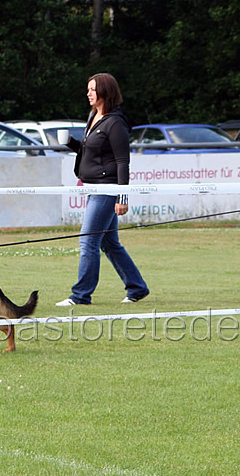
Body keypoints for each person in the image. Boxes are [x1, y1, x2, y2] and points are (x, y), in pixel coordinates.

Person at [56, 73, 149, 306]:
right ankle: (137, 288)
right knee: (110, 243)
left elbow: (122, 162)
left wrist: (122, 196)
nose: (88, 93)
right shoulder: (93, 116)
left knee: (88, 242)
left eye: (92, 89)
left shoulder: (115, 123)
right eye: (88, 89)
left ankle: (81, 295)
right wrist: (70, 143)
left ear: (105, 92)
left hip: (106, 190)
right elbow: (88, 151)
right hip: (91, 188)